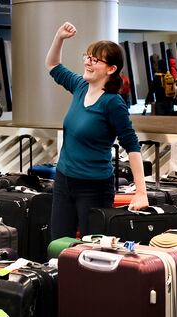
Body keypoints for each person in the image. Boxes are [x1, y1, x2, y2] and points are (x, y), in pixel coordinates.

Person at [45, 21, 146, 239]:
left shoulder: (113, 103)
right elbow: (53, 65)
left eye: (95, 59)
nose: (88, 63)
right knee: (58, 245)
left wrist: (141, 192)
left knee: (93, 250)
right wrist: (59, 37)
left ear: (111, 69)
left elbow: (132, 145)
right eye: (87, 57)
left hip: (94, 187)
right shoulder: (80, 86)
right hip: (64, 180)